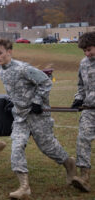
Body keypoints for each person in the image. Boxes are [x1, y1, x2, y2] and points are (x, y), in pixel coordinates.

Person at [0, 39, 76, 199]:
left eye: (0, 53)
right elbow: (13, 90)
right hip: (20, 118)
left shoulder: (23, 68)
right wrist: (11, 102)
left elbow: (45, 82)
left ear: (9, 52)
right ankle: (24, 187)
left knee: (48, 147)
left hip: (37, 115)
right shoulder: (2, 71)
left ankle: (69, 163)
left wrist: (38, 101)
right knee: (16, 148)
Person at [70, 31, 95, 192]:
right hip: (89, 109)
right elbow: (81, 86)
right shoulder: (84, 63)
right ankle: (84, 177)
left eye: (90, 49)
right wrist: (78, 98)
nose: (87, 53)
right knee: (83, 139)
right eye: (84, 50)